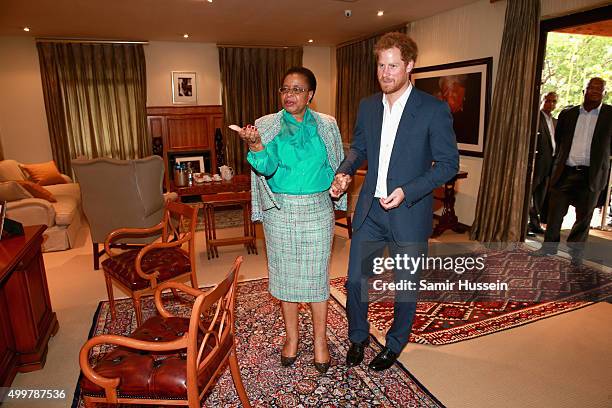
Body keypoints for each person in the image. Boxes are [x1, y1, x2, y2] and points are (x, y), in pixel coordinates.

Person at [330, 32, 458, 371]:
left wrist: (409, 190)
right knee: (356, 280)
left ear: (409, 66)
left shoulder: (433, 109)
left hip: (409, 212)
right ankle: (358, 336)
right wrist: (345, 171)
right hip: (371, 211)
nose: (385, 73)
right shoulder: (368, 105)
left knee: (405, 287)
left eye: (393, 66)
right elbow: (359, 147)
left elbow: (448, 165)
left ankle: (395, 344)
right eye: (381, 66)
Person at [236, 67, 346, 374]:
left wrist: (340, 184)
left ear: (310, 94)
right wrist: (255, 145)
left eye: (297, 90)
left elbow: (337, 163)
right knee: (285, 279)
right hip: (279, 211)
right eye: (285, 89)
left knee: (316, 279)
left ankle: (321, 341)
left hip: (317, 209)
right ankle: (293, 338)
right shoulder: (266, 124)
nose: (290, 95)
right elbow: (266, 168)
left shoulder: (327, 124)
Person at [539, 78, 611, 259]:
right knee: (555, 214)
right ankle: (548, 248)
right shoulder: (568, 114)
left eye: (599, 89)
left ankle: (576, 253)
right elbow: (560, 140)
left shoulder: (610, 115)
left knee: (583, 218)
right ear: (584, 91)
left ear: (604, 93)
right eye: (591, 87)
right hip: (565, 172)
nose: (595, 91)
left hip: (591, 175)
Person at [528, 91, 558, 235]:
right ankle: (522, 225)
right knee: (528, 194)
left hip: (550, 164)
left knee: (540, 197)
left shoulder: (555, 121)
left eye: (553, 101)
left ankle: (534, 224)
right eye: (548, 100)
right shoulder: (535, 118)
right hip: (537, 163)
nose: (550, 104)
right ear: (542, 100)